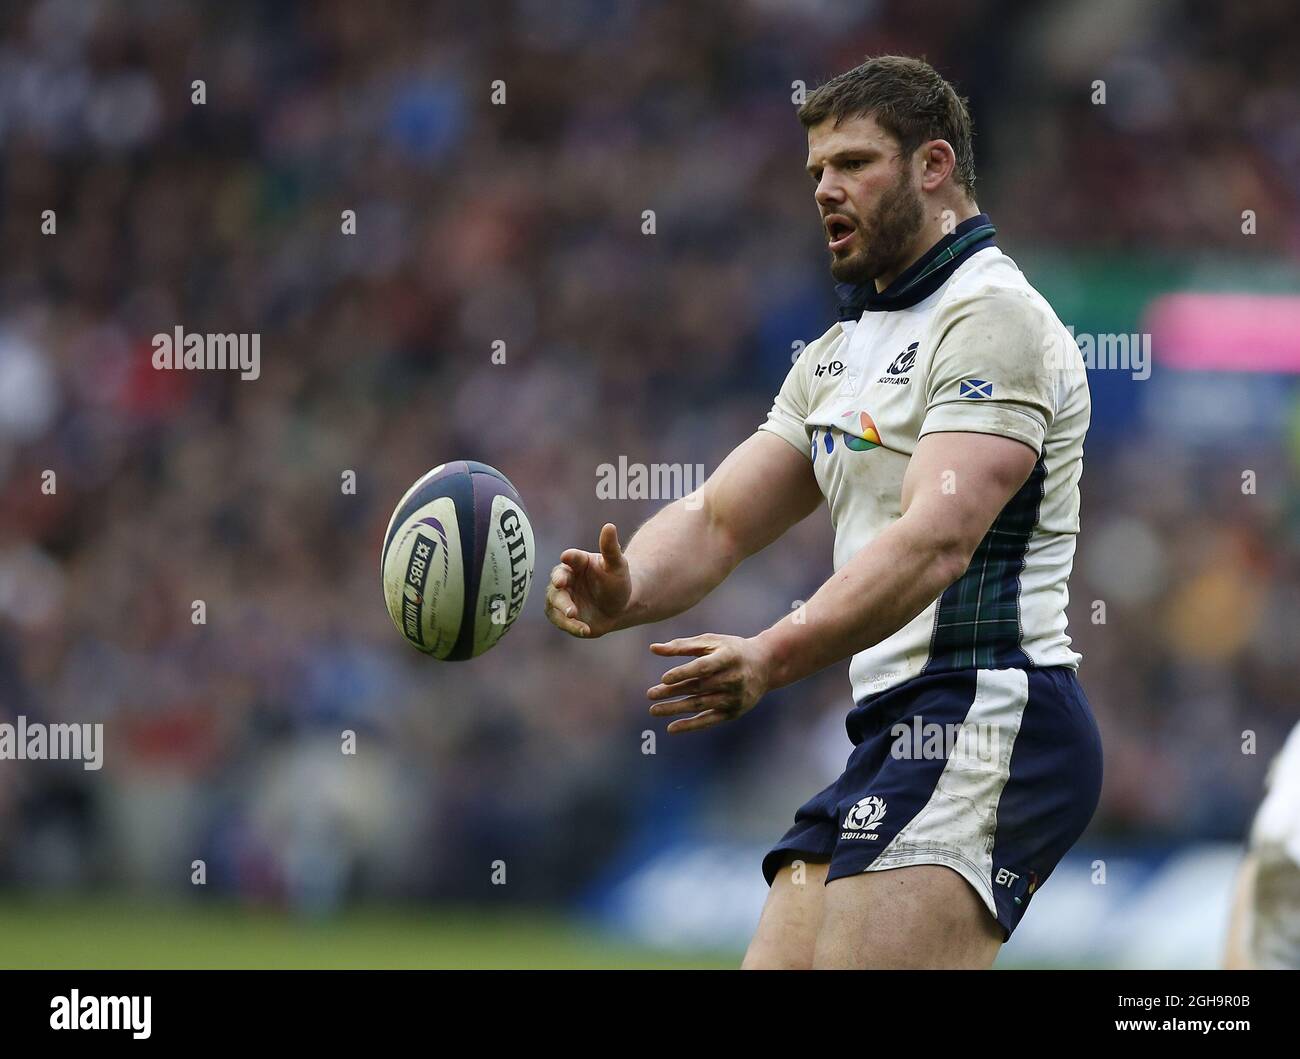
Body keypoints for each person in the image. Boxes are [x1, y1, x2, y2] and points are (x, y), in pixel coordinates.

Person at [545, 55, 1100, 969]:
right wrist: (630, 585)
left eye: (852, 163)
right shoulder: (839, 352)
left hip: (989, 711)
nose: (826, 189)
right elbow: (722, 517)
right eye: (815, 173)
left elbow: (936, 540)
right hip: (894, 727)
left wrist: (770, 653)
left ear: (934, 167)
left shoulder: (994, 319)